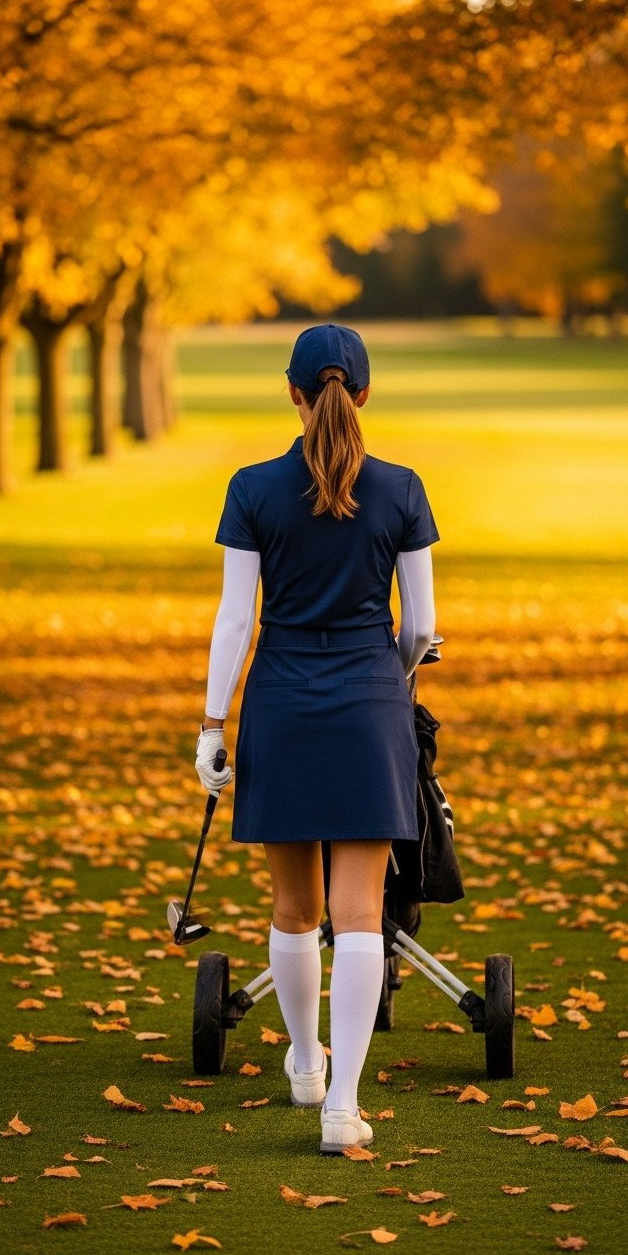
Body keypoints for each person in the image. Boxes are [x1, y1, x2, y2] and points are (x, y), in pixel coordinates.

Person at [195, 323, 438, 1154]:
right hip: (371, 705)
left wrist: (211, 723)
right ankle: (343, 1106)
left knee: (295, 910)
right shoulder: (403, 488)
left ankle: (304, 1064)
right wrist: (387, 676)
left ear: (292, 392)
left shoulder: (251, 487)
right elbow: (424, 630)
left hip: (283, 704)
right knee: (361, 910)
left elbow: (236, 619)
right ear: (363, 393)